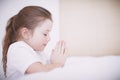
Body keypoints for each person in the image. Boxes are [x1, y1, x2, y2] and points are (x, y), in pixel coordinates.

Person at [2, 6, 67, 80]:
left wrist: (54, 60)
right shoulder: (17, 48)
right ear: (26, 33)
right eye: (45, 34)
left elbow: (48, 70)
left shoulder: (38, 52)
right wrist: (58, 64)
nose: (49, 38)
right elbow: (40, 71)